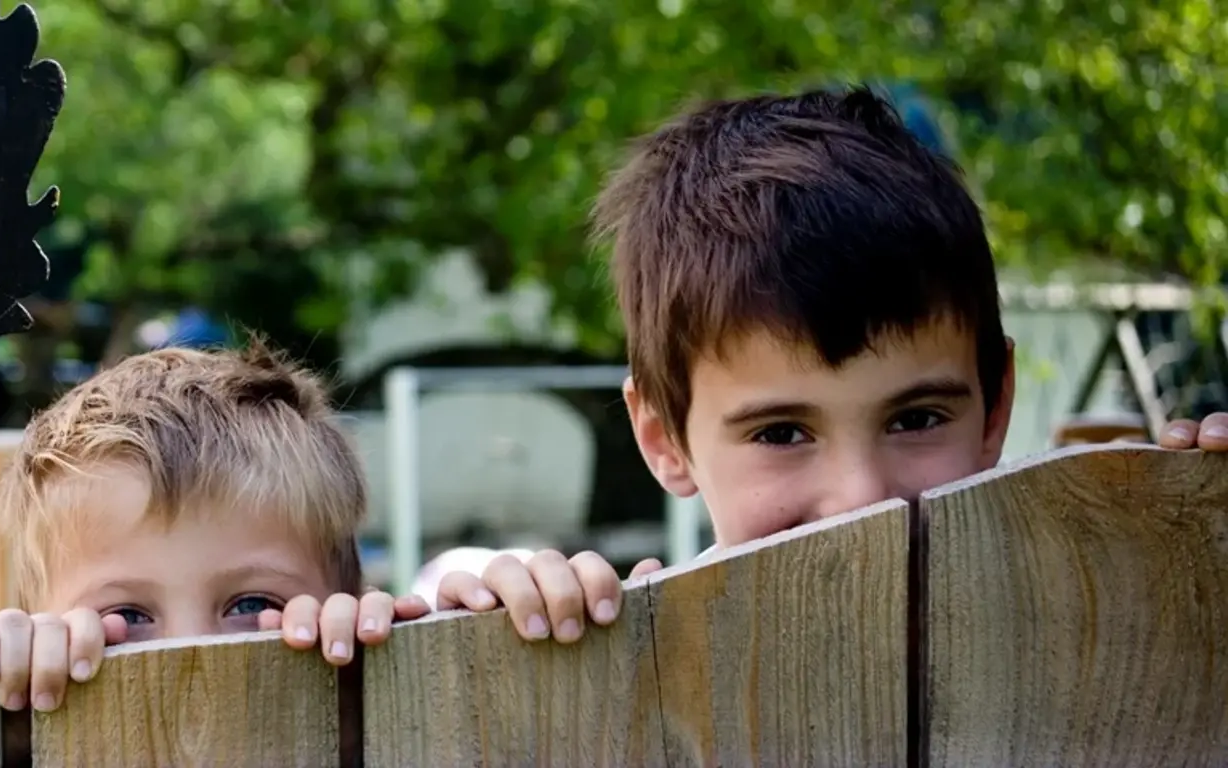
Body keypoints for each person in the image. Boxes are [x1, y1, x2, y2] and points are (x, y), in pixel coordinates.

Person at [433, 85, 1228, 641]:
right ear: (663, 439)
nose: (861, 500)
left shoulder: (1096, 615)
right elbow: (440, 601)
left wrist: (1195, 531)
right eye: (781, 432)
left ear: (995, 407)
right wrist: (471, 593)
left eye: (916, 419)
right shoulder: (632, 647)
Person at [0, 340, 432, 713]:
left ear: (348, 601)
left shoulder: (381, 729)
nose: (192, 656)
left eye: (254, 604)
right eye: (128, 615)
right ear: (37, 623)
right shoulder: (26, 741)